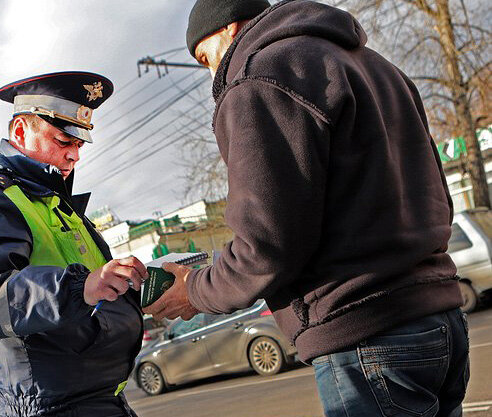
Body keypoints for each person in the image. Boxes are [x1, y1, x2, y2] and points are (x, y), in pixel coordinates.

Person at [144, 1, 470, 416]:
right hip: (441, 318)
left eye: (207, 58)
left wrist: (194, 290)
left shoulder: (258, 78)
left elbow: (266, 245)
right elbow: (438, 197)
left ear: (230, 29)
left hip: (366, 335)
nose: (214, 75)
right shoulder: (379, 68)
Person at [0, 71, 146, 417]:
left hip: (98, 399)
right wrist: (84, 286)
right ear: (21, 131)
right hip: (49, 407)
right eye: (63, 142)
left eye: (79, 145)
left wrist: (144, 285)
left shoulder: (49, 201)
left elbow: (94, 294)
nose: (74, 157)